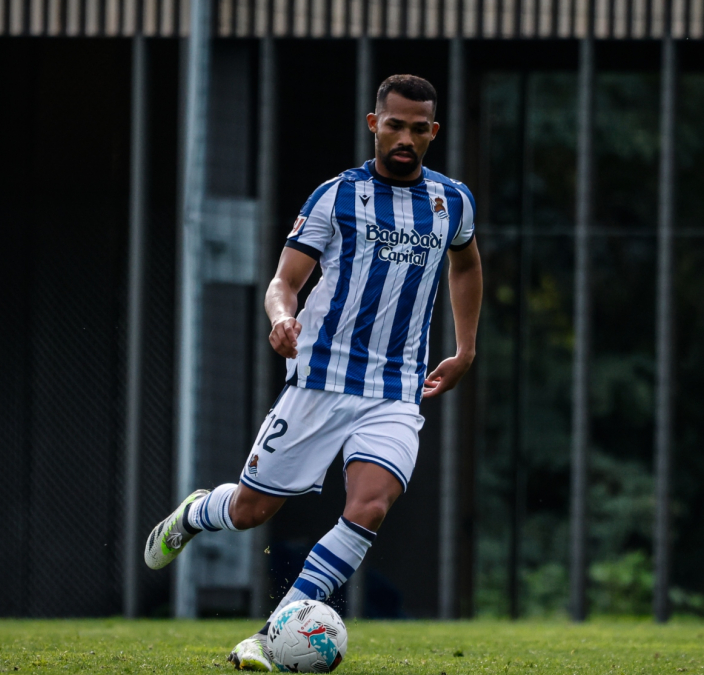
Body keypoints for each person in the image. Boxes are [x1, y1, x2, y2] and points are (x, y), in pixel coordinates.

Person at [142, 74, 482, 671]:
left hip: (395, 390)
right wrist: (282, 318)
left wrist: (466, 348)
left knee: (370, 506)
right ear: (374, 125)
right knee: (250, 512)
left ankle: (268, 635)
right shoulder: (336, 196)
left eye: (418, 128)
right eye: (395, 125)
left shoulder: (452, 201)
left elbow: (466, 265)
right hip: (321, 378)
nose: (405, 138)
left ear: (433, 131)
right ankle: (197, 511)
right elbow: (285, 281)